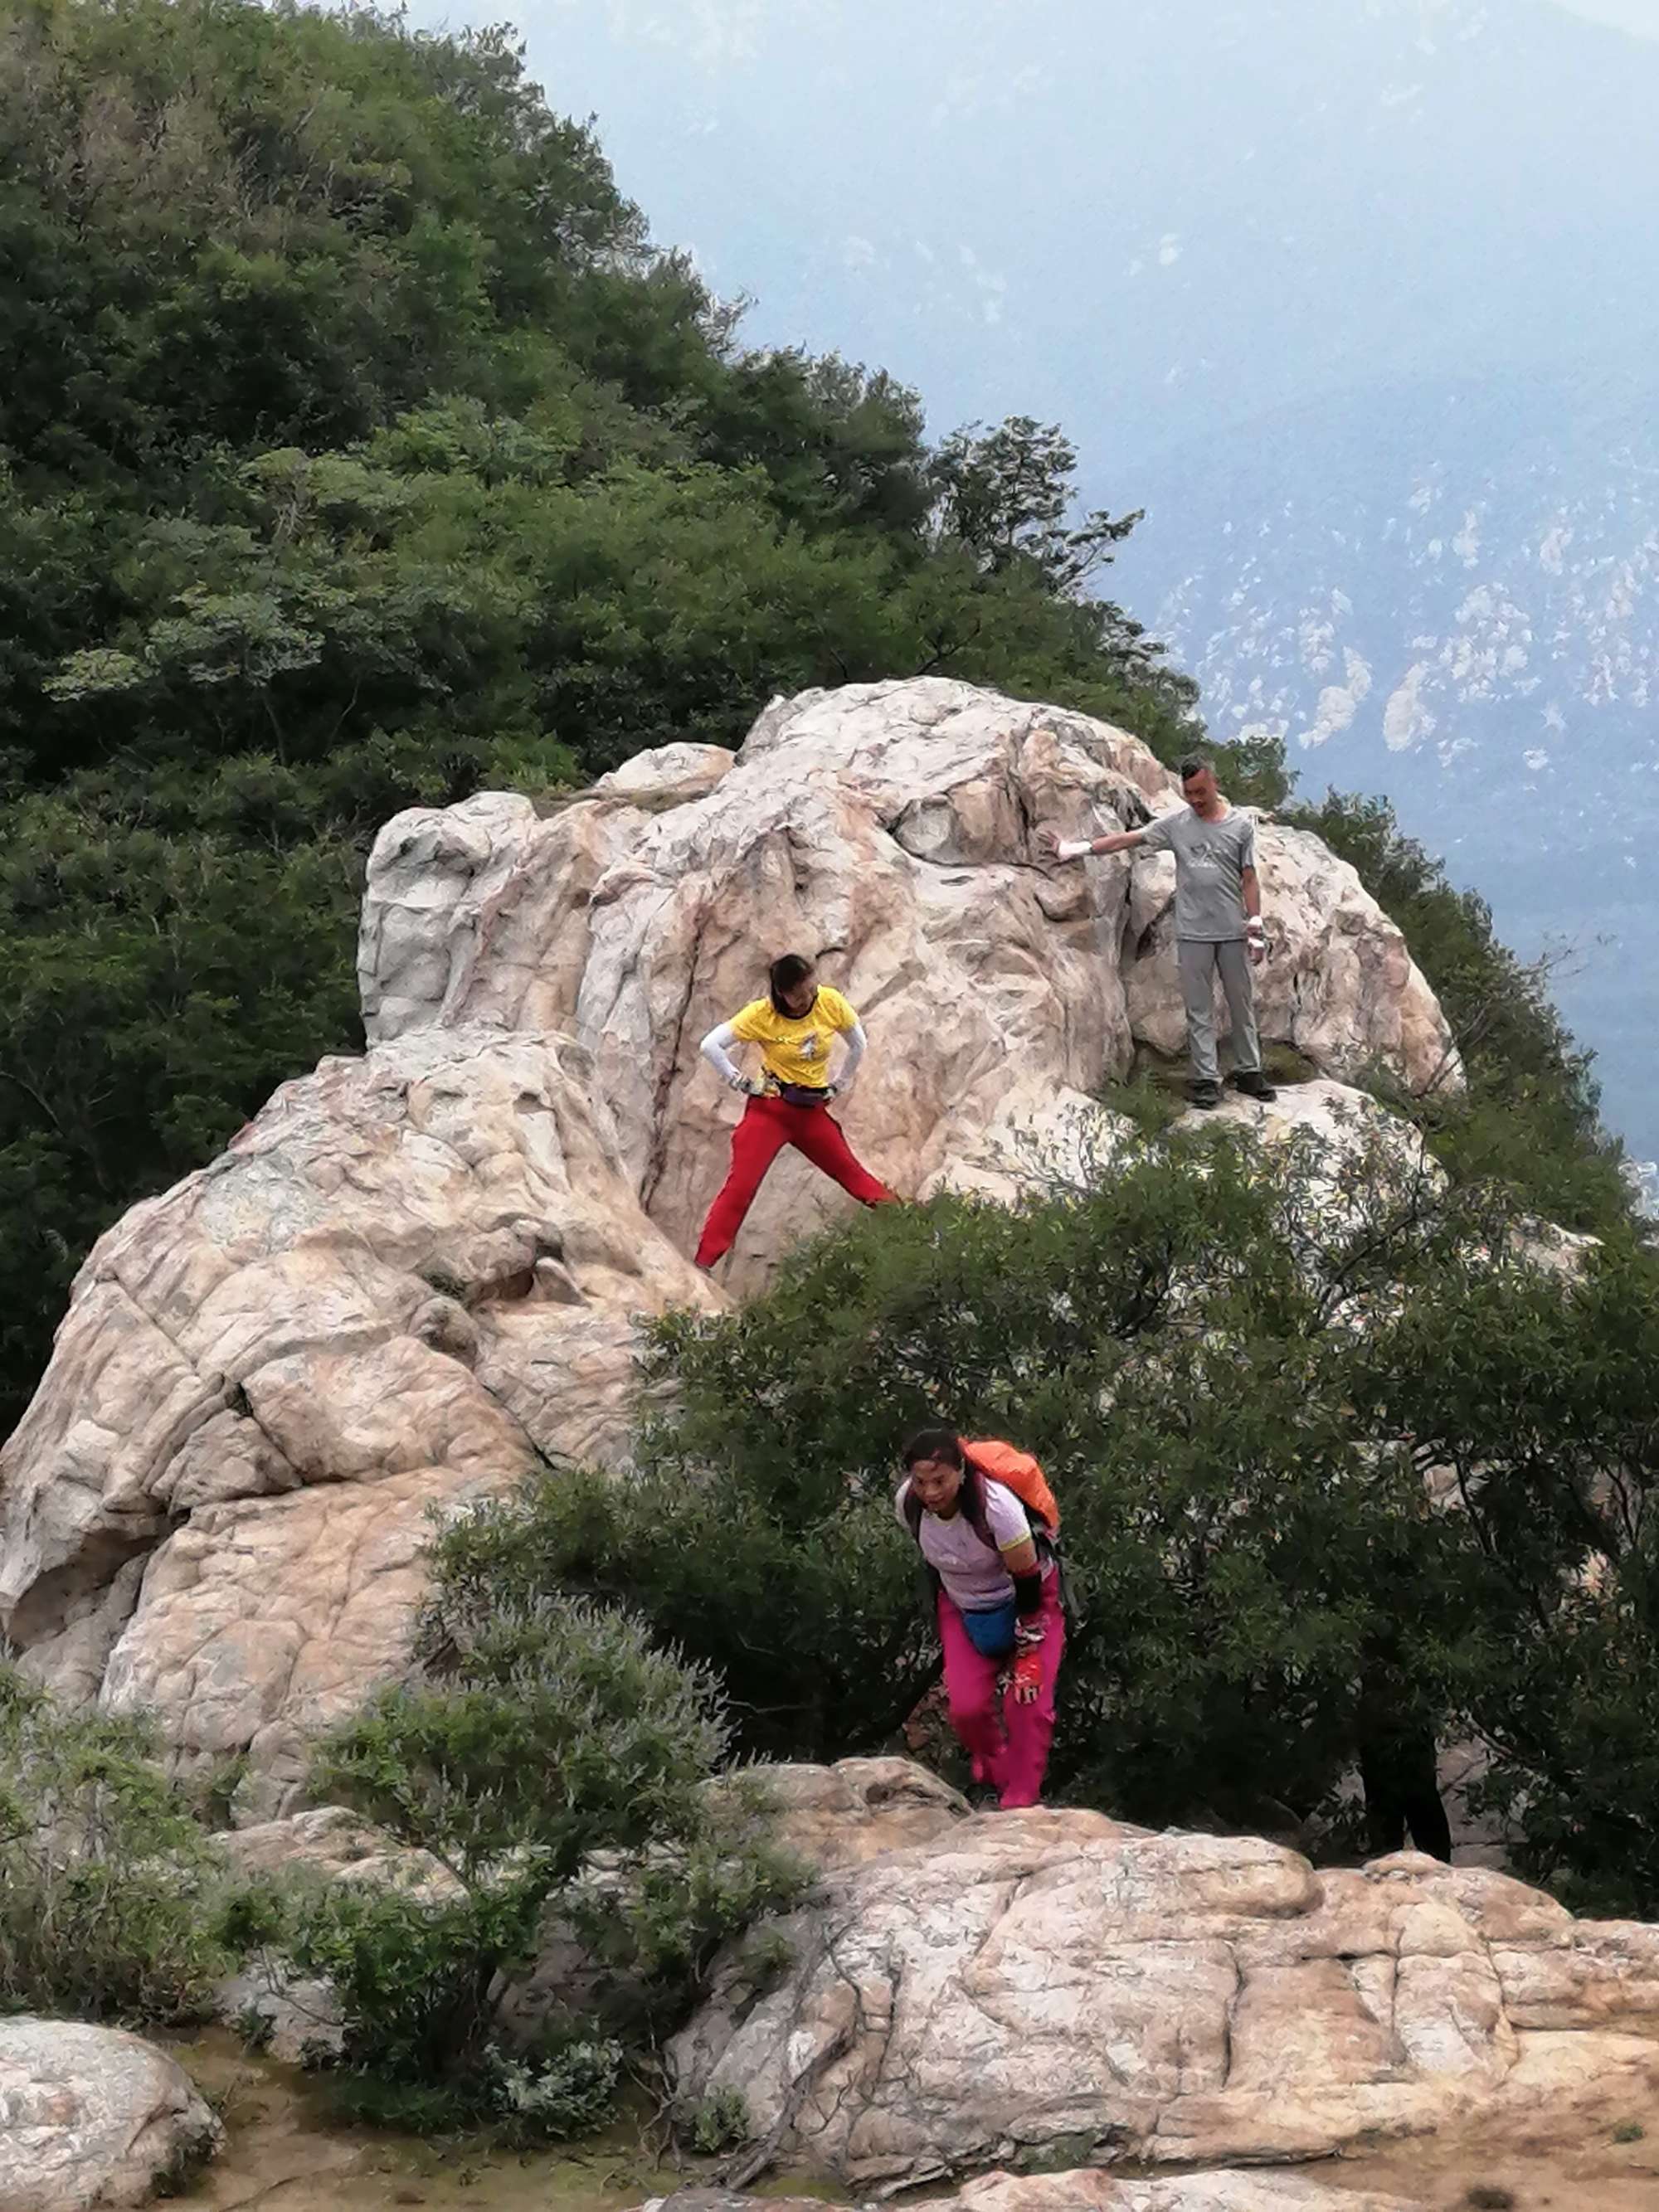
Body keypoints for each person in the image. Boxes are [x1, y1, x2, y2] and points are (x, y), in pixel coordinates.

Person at [1039, 755, 1277, 1111]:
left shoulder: (1241, 827)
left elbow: (1249, 878)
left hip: (1231, 931)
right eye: (1189, 793)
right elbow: (1128, 840)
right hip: (1194, 932)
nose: (1195, 799)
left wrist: (1255, 925)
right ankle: (1206, 1080)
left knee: (1241, 1003)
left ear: (1214, 783)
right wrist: (1073, 849)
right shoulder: (1177, 826)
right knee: (1199, 1009)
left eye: (1201, 791)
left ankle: (1249, 1072)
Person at [896, 1429, 1065, 1811]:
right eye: (921, 1482)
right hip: (962, 1604)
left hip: (1029, 1599)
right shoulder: (907, 1504)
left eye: (940, 1481)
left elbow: (1028, 1579)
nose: (931, 1492)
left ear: (961, 1471)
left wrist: (1029, 1652)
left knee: (1027, 1703)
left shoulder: (997, 1508)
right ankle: (995, 1773)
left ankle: (1020, 1801)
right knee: (967, 1709)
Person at [694, 953, 895, 1270]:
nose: (807, 1000)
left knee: (852, 1174)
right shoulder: (761, 1015)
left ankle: (913, 1226)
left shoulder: (829, 1002)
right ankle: (703, 1262)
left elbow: (858, 1043)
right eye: (799, 995)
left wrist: (840, 1083)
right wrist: (740, 1082)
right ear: (782, 994)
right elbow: (710, 1045)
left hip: (810, 1111)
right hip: (770, 1110)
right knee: (741, 1186)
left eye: (810, 990)